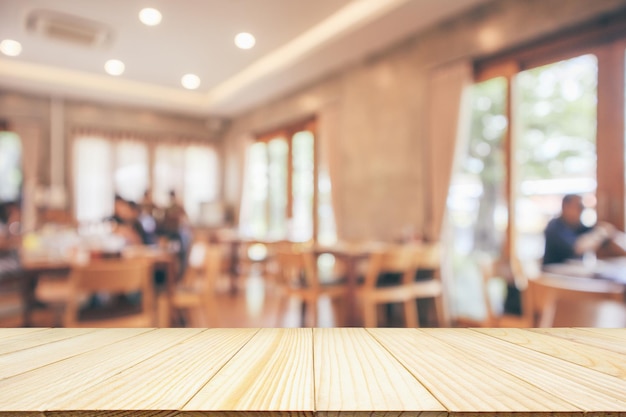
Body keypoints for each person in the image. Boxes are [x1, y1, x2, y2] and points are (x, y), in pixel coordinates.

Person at [542, 194, 625, 266]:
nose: (581, 210)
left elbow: (607, 233)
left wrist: (607, 231)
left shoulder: (577, 225)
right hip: (553, 276)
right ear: (565, 207)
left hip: (572, 273)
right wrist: (600, 234)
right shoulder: (554, 227)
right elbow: (578, 247)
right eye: (579, 206)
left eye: (582, 207)